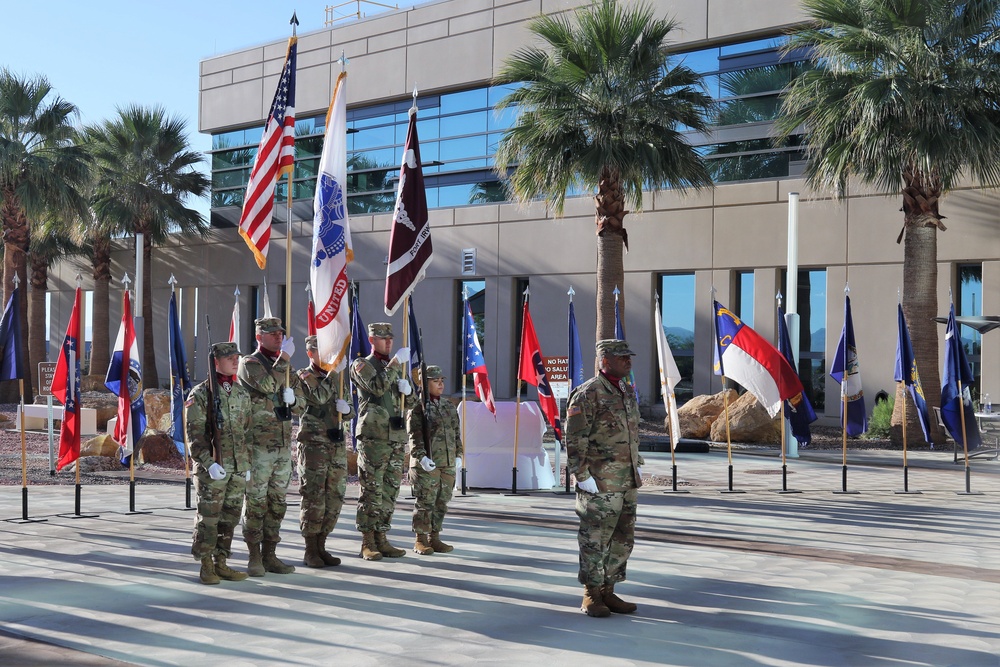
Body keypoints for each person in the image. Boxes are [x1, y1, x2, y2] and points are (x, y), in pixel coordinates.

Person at [565, 339, 644, 617]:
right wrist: (581, 474)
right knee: (594, 539)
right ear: (604, 360)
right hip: (599, 482)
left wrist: (638, 464)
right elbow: (575, 438)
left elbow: (631, 433)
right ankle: (591, 594)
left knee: (623, 539)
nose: (628, 361)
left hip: (626, 480)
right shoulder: (588, 393)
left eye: (628, 356)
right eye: (621, 357)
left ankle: (609, 590)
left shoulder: (625, 390)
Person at [186, 341, 253, 585]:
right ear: (216, 362)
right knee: (209, 519)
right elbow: (195, 436)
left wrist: (245, 465)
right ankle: (206, 565)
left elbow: (245, 432)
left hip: (236, 468)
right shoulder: (201, 394)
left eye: (237, 357)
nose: (236, 361)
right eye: (229, 358)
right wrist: (208, 462)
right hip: (212, 469)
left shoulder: (241, 392)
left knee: (230, 518)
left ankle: (221, 562)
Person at [238, 316, 299, 576]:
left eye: (281, 333)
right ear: (259, 336)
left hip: (283, 446)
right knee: (256, 502)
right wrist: (283, 358)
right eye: (272, 333)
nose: (278, 336)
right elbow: (267, 385)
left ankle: (270, 554)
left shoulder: (286, 365)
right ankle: (254, 555)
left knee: (277, 502)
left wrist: (293, 399)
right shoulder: (249, 363)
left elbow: (301, 403)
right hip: (258, 447)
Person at [350, 322, 412, 560]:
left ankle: (382, 537)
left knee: (390, 491)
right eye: (383, 339)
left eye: (390, 339)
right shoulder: (362, 364)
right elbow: (376, 387)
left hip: (396, 437)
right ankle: (367, 541)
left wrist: (409, 391)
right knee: (372, 490)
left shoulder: (396, 368)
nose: (388, 342)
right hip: (374, 437)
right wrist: (395, 365)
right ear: (372, 339)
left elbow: (413, 403)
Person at [296, 335, 353, 567]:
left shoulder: (336, 378)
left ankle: (322, 544)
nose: (329, 356)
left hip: (336, 446)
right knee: (314, 498)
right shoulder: (304, 375)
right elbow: (318, 397)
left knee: (335, 498)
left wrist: (347, 408)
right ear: (310, 353)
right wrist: (333, 374)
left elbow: (348, 411)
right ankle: (310, 549)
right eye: (322, 351)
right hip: (314, 446)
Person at [407, 365, 460, 555]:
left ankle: (434, 537)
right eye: (435, 380)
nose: (440, 384)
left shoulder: (448, 406)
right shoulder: (417, 407)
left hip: (446, 462)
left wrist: (458, 456)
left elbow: (456, 434)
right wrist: (420, 457)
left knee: (441, 502)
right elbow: (414, 435)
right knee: (425, 502)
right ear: (424, 383)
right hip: (427, 464)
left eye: (442, 380)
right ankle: (420, 539)